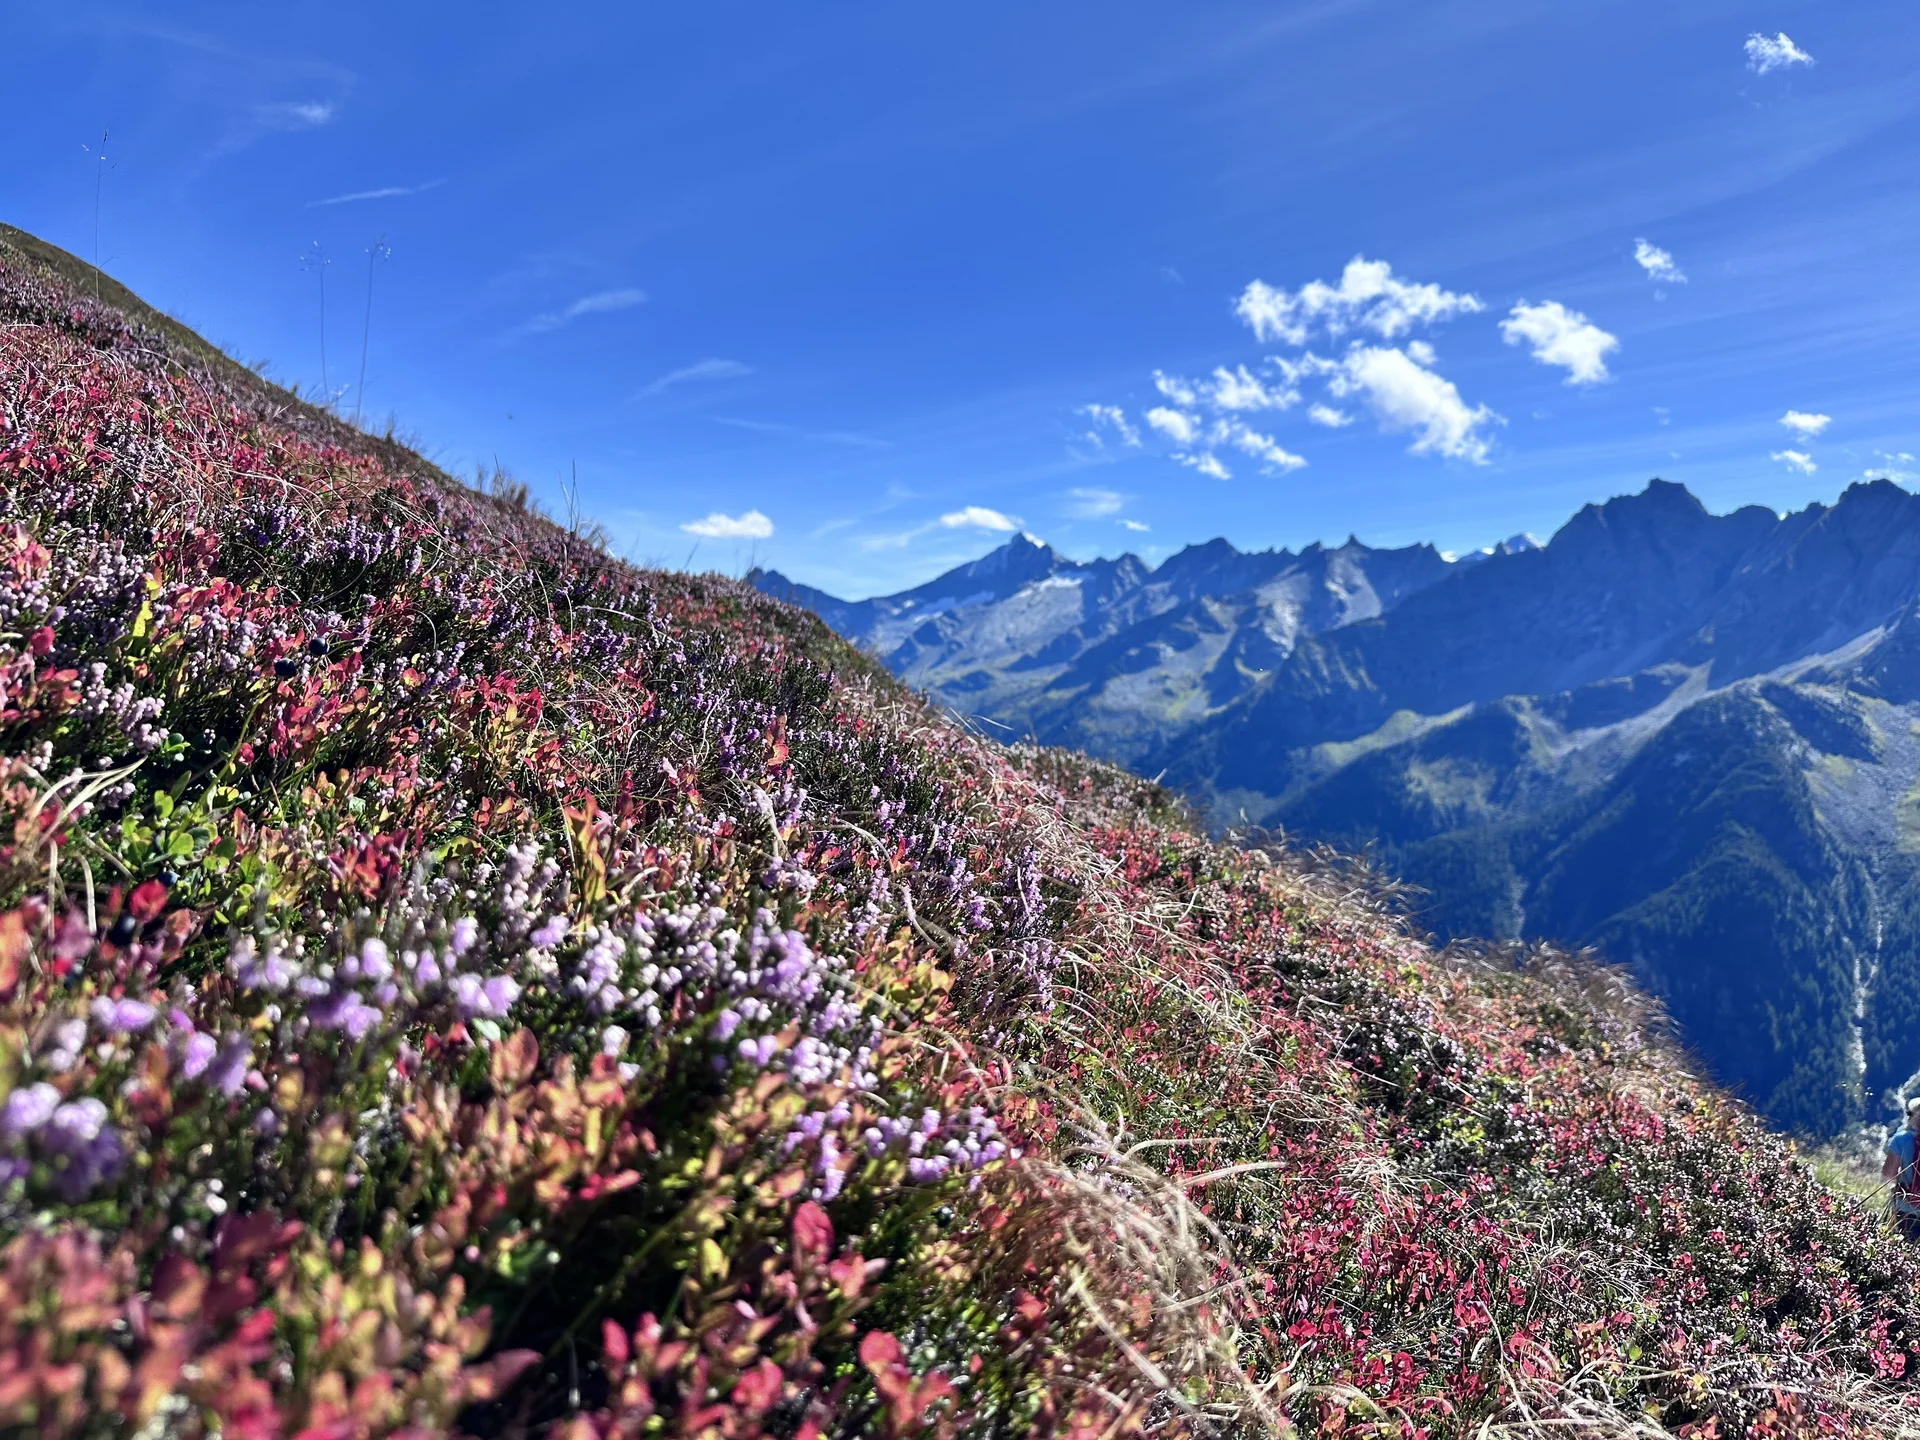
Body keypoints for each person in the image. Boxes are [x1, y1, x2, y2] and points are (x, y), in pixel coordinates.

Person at [1884, 1098, 1920, 1240]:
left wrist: (1896, 1188)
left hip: (1906, 1210)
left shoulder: (1901, 1140)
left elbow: (1888, 1173)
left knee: (1903, 1253)